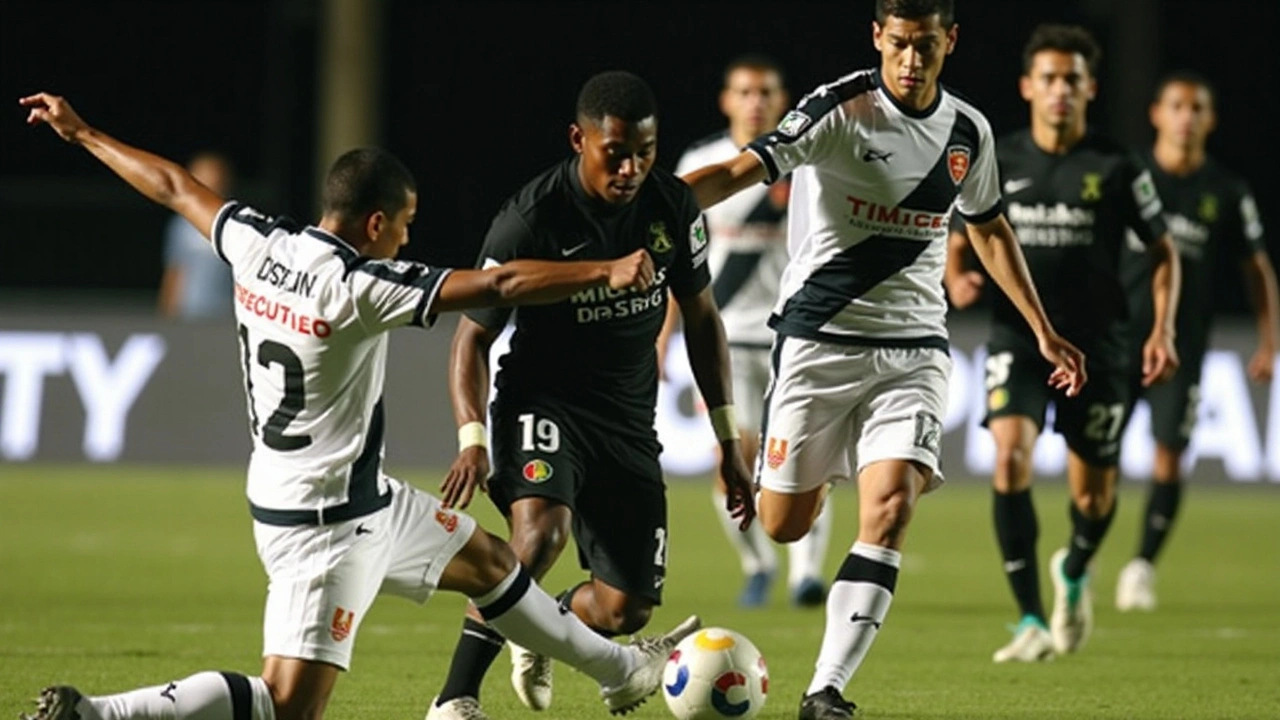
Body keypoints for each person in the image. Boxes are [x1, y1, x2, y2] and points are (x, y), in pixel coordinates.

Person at [17, 91, 700, 720]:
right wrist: (602, 270)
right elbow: (506, 282)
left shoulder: (259, 243)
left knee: (493, 564)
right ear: (376, 222)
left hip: (359, 498)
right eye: (404, 225)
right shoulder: (358, 287)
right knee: (288, 705)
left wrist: (84, 135)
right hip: (324, 527)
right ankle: (99, 713)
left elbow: (171, 186)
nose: (406, 238)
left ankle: (619, 670)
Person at [682, 2, 1087, 717]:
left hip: (914, 348)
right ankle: (830, 474)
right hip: (817, 343)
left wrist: (1044, 330)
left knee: (893, 506)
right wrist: (653, 203)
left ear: (949, 42)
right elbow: (745, 169)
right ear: (878, 37)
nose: (911, 59)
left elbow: (989, 229)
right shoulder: (837, 110)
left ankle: (826, 688)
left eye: (926, 44)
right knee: (782, 525)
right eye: (898, 43)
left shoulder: (969, 131)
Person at [426, 71, 755, 720]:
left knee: (623, 608)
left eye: (646, 152)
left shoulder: (671, 209)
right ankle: (455, 697)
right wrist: (472, 439)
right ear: (580, 139)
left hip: (628, 421)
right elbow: (469, 340)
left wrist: (728, 439)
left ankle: (544, 622)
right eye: (617, 152)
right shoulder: (531, 217)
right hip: (541, 404)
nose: (632, 167)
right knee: (540, 535)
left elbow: (703, 320)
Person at [945, 24, 1181, 663]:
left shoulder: (1117, 165)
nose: (1060, 91)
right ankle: (1027, 618)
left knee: (1092, 498)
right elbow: (961, 230)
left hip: (1100, 346)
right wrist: (954, 271)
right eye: (1048, 79)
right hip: (1016, 337)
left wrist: (1161, 329)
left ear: (1089, 89)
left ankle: (1074, 570)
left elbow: (1163, 251)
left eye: (1071, 80)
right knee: (1009, 458)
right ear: (1027, 87)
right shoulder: (1003, 159)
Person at [660, 54, 832, 609]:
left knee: (805, 458)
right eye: (745, 92)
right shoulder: (702, 161)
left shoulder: (803, 161)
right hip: (724, 336)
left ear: (782, 102)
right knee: (731, 459)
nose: (755, 102)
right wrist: (663, 337)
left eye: (766, 92)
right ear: (726, 100)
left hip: (795, 333)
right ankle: (758, 565)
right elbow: (678, 264)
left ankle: (807, 575)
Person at [1114, 72, 1279, 611]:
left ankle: (1141, 566)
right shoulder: (1127, 175)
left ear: (1210, 120)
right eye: (1177, 106)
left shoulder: (1226, 192)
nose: (1186, 117)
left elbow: (1256, 268)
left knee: (1169, 457)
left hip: (1180, 348)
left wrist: (1268, 338)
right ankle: (1083, 552)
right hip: (1115, 339)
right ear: (1156, 114)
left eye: (1197, 108)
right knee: (1096, 459)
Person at [157, 151, 235, 319]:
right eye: (203, 177)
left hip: (226, 315)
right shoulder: (181, 226)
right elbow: (175, 270)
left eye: (215, 178)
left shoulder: (236, 224)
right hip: (189, 313)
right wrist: (167, 313)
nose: (210, 183)